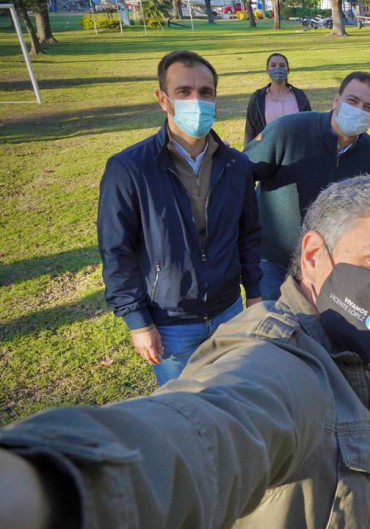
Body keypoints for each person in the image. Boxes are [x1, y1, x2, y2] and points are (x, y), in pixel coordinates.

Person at [0, 176, 370, 529]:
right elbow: (210, 432)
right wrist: (44, 486)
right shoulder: (282, 363)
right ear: (312, 255)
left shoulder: (344, 342)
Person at [97, 50, 262, 387]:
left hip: (229, 311)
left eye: (205, 92)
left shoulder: (236, 165)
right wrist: (138, 322)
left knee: (231, 398)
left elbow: (249, 235)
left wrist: (255, 293)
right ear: (163, 99)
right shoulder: (129, 169)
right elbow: (117, 251)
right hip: (171, 321)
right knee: (183, 411)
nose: (196, 100)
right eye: (183, 92)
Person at [245, 71, 370, 300]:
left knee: (314, 331)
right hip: (272, 259)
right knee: (271, 328)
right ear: (336, 101)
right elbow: (242, 176)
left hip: (325, 264)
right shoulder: (288, 131)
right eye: (352, 101)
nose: (359, 110)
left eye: (368, 108)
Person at [243, 53, 312, 148]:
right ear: (267, 71)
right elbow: (249, 132)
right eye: (273, 65)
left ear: (288, 70)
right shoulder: (257, 98)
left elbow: (309, 127)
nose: (278, 68)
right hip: (267, 154)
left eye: (282, 65)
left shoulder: (300, 96)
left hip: (296, 151)